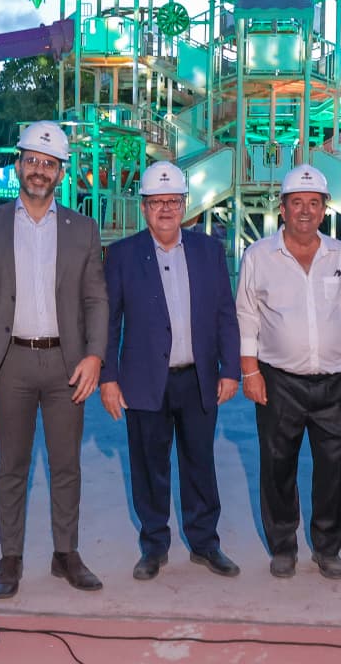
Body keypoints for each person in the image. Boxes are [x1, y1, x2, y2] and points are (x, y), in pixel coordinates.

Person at [0, 120, 109, 600]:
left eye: (50, 164)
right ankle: (11, 558)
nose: (40, 170)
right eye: (33, 161)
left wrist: (95, 356)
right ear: (18, 165)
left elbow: (96, 299)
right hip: (9, 363)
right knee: (12, 466)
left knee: (66, 465)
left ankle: (66, 554)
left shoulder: (83, 229)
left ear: (62, 173)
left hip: (66, 364)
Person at [100, 161, 242, 581]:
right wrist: (108, 378)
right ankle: (154, 545)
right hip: (144, 380)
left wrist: (230, 369)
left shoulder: (208, 251)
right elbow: (109, 322)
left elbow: (225, 314)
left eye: (173, 201)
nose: (165, 209)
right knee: (150, 467)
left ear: (185, 205)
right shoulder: (123, 255)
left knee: (200, 463)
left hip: (198, 378)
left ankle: (205, 542)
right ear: (144, 207)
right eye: (156, 202)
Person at [236, 164, 341, 580]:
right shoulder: (259, 256)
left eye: (314, 203)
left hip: (334, 381)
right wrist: (250, 372)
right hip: (279, 381)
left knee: (334, 468)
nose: (306, 211)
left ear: (325, 208)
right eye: (297, 203)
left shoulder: (340, 255)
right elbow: (246, 316)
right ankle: (283, 546)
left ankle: (328, 547)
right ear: (283, 208)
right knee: (278, 466)